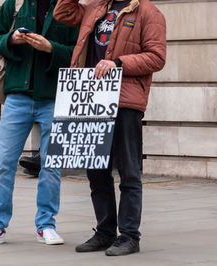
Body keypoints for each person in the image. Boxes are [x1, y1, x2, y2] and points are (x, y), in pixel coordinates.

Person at [54, 0, 166, 256]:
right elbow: (63, 12)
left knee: (129, 171)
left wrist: (118, 63)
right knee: (96, 172)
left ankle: (129, 236)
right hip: (91, 99)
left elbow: (157, 57)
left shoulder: (148, 12)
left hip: (125, 101)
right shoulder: (95, 6)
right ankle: (105, 232)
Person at [0, 0, 78, 247]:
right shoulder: (15, 3)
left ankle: (46, 225)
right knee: (4, 164)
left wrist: (51, 48)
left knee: (51, 166)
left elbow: (78, 51)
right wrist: (11, 39)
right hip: (17, 96)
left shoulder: (68, 6)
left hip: (53, 97)